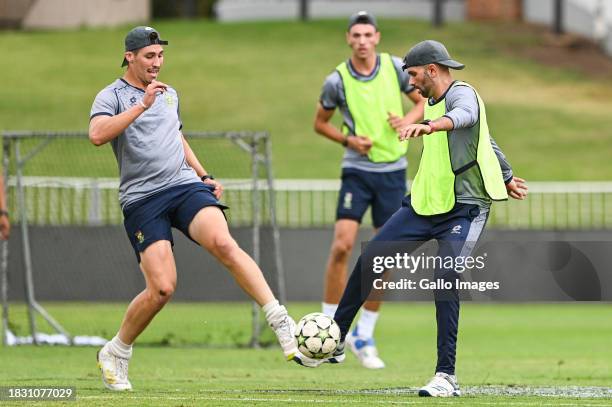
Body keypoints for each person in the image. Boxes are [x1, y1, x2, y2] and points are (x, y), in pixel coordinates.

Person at [295, 40, 528, 397]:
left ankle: (446, 376)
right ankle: (337, 337)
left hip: (465, 207)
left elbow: (467, 118)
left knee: (446, 276)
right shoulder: (431, 103)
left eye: (415, 74)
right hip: (425, 204)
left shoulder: (461, 95)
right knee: (372, 257)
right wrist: (509, 174)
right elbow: (485, 139)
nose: (412, 83)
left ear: (432, 70)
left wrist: (433, 127)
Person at [89, 26, 296, 391]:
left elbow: (176, 136)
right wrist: (141, 105)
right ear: (129, 57)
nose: (157, 63)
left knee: (223, 242)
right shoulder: (112, 95)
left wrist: (204, 174)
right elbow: (97, 135)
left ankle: (280, 320)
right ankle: (117, 351)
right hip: (142, 199)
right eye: (149, 56)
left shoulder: (170, 95)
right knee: (163, 289)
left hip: (183, 186)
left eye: (161, 55)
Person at [315, 11, 425, 369]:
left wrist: (407, 122)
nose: (362, 41)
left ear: (377, 37)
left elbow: (422, 102)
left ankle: (365, 332)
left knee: (384, 255)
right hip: (356, 172)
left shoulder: (396, 68)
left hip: (393, 172)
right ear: (348, 39)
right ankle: (331, 332)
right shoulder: (337, 80)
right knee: (342, 245)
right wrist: (348, 140)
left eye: (368, 35)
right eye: (356, 35)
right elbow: (320, 123)